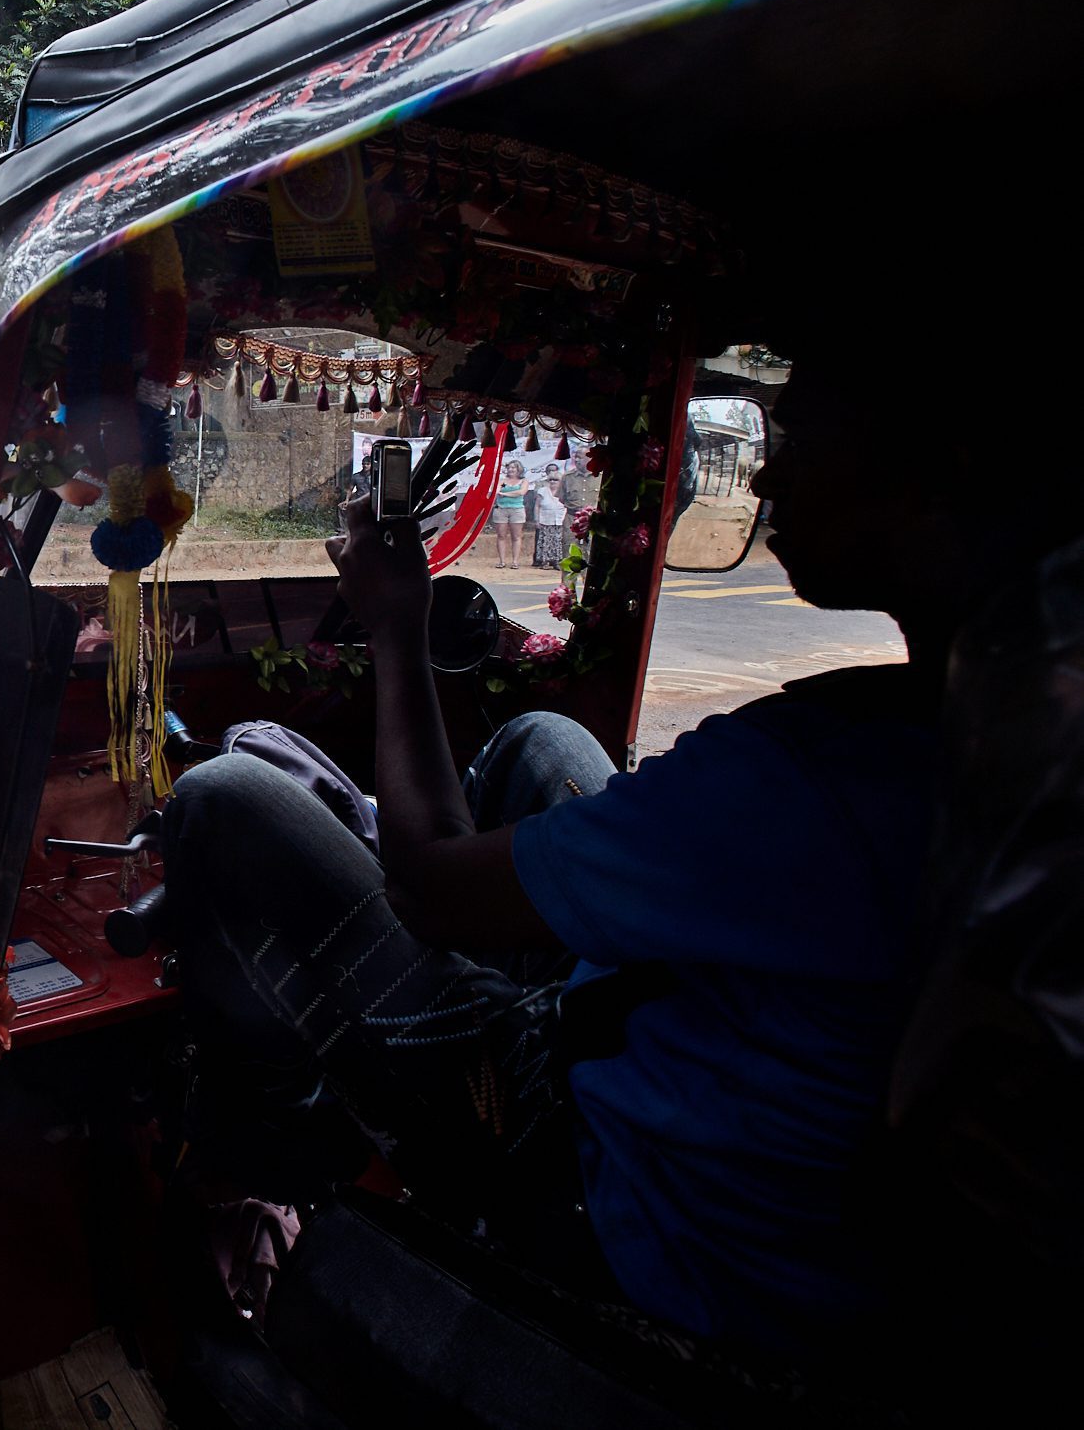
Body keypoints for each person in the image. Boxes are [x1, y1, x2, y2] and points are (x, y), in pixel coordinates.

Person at [160, 345, 1076, 1363]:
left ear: (930, 471)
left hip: (618, 1201)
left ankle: (260, 1169)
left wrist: (394, 627)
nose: (767, 475)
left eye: (803, 431)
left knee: (223, 799)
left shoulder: (805, 780)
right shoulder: (986, 745)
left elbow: (425, 885)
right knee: (540, 744)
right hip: (797, 1198)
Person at [492, 458, 527, 567]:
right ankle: (502, 561)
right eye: (509, 467)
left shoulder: (523, 481)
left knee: (516, 536)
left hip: (517, 509)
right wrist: (504, 493)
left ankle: (515, 561)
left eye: (513, 468)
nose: (511, 470)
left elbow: (521, 492)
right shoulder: (503, 481)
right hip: (501, 509)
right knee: (501, 535)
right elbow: (497, 490)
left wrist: (506, 494)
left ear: (518, 469)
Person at [531, 464, 568, 568]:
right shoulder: (542, 491)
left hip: (559, 520)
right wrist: (536, 520)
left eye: (555, 480)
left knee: (558, 542)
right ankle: (544, 562)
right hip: (545, 520)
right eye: (550, 480)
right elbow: (537, 506)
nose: (552, 482)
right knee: (546, 541)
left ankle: (557, 562)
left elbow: (567, 505)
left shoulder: (564, 491)